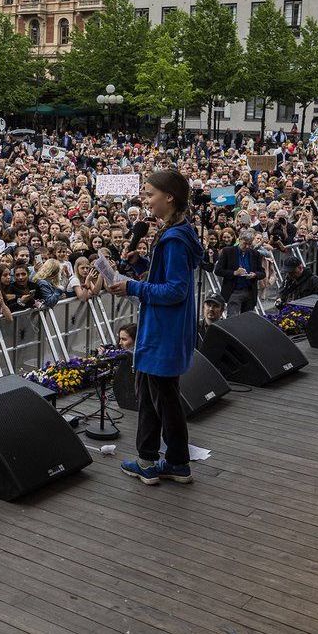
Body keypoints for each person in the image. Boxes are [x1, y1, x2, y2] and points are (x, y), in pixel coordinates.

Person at [107, 170, 202, 485]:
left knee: (160, 399)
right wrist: (140, 265)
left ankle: (162, 462)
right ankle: (163, 460)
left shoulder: (173, 239)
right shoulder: (179, 231)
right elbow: (166, 278)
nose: (145, 200)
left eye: (149, 194)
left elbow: (175, 290)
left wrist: (132, 287)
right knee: (157, 397)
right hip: (166, 329)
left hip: (163, 331)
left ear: (169, 197)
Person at [214, 229, 265, 316]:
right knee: (233, 319)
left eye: (249, 244)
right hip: (234, 291)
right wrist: (234, 273)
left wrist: (255, 275)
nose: (247, 246)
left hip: (250, 292)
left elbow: (262, 273)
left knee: (247, 320)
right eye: (245, 243)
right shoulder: (227, 252)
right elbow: (218, 271)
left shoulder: (255, 254)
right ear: (240, 239)